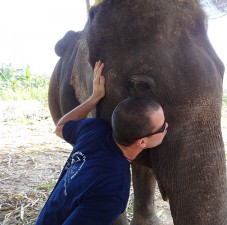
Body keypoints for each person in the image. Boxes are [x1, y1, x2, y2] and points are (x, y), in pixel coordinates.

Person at [35, 61, 168, 225]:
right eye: (162, 127)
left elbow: (60, 127)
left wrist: (94, 98)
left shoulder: (94, 128)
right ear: (141, 142)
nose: (166, 126)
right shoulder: (113, 192)